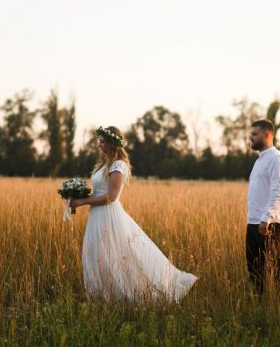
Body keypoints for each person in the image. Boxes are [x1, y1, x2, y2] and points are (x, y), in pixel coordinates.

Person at [69, 126, 197, 302]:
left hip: (109, 216)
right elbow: (98, 193)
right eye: (99, 141)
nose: (100, 145)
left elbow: (111, 197)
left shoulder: (118, 165)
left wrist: (84, 202)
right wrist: (78, 197)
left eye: (103, 141)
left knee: (120, 255)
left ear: (113, 143)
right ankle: (102, 296)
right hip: (96, 217)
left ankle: (128, 294)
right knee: (98, 255)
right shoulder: (103, 165)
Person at [246, 119, 280, 295]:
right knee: (254, 269)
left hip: (268, 224)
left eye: (254, 134)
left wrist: (267, 218)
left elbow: (278, 192)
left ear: (267, 134)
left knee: (274, 264)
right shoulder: (259, 161)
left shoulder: (276, 159)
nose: (251, 137)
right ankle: (259, 305)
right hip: (254, 221)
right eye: (251, 134)